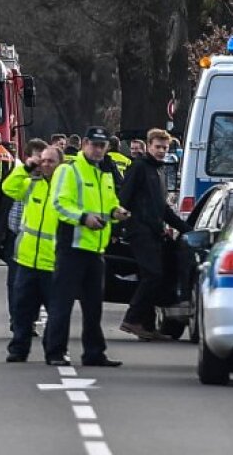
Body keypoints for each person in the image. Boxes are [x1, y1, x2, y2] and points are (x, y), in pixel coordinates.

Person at [48, 126, 129, 367]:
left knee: (94, 307)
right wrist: (84, 218)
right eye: (94, 145)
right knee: (62, 303)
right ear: (84, 143)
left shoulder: (104, 174)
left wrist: (116, 212)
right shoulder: (69, 170)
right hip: (72, 247)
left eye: (102, 146)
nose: (98, 150)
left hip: (95, 250)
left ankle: (94, 353)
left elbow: (109, 203)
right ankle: (55, 352)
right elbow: (59, 204)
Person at [118, 128, 191, 340]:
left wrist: (184, 228)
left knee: (151, 275)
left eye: (164, 148)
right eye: (157, 147)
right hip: (139, 231)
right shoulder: (139, 168)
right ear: (148, 146)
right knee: (153, 274)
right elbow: (124, 197)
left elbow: (162, 208)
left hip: (153, 232)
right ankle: (132, 319)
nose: (161, 151)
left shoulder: (157, 171)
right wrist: (118, 226)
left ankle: (147, 326)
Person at [2, 144, 63, 362]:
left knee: (56, 313)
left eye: (50, 161)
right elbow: (8, 188)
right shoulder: (31, 184)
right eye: (43, 160)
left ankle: (54, 352)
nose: (45, 164)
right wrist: (25, 168)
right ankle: (18, 350)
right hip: (26, 258)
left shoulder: (64, 188)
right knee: (22, 309)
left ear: (59, 165)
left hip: (52, 260)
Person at [0, 137, 47, 336]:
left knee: (35, 285)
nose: (41, 164)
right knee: (16, 283)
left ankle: (28, 321)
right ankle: (18, 321)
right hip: (14, 238)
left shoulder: (47, 181)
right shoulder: (16, 177)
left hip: (37, 242)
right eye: (37, 158)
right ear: (27, 158)